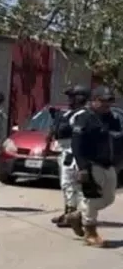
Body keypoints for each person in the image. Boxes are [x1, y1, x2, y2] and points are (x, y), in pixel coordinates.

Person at [67, 87, 121, 247]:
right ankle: (90, 233)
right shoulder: (84, 118)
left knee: (109, 198)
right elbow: (76, 145)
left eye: (110, 100)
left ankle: (77, 215)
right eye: (103, 100)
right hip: (91, 164)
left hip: (109, 164)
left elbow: (117, 140)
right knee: (92, 198)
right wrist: (82, 168)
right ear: (94, 100)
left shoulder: (112, 118)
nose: (107, 104)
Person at [46, 85, 90, 227]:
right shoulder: (70, 113)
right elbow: (58, 127)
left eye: (72, 96)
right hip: (64, 151)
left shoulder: (82, 114)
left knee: (72, 184)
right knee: (67, 184)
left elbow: (74, 133)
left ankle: (76, 215)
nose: (69, 99)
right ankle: (69, 212)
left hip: (73, 152)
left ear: (79, 98)